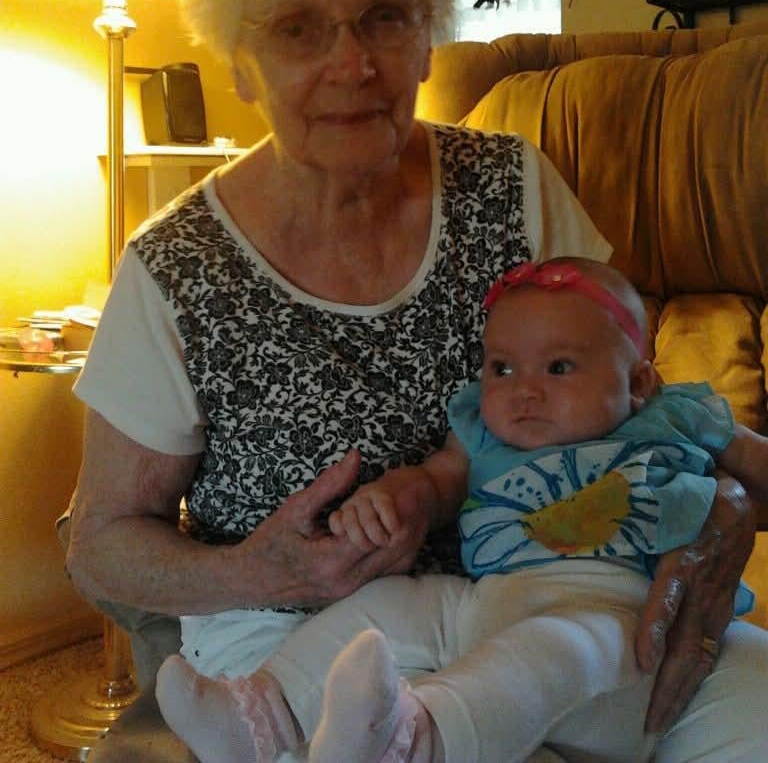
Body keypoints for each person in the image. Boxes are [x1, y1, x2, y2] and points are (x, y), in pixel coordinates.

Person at [62, 0, 765, 763]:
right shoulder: (175, 268)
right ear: (238, 62)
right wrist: (260, 569)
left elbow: (643, 398)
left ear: (428, 35)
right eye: (299, 28)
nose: (351, 63)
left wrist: (716, 513)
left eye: (385, 16)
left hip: (561, 591)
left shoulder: (513, 184)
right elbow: (99, 541)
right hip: (299, 637)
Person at [153, 257, 765, 763]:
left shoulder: (674, 417)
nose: (524, 389)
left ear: (637, 383)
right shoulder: (485, 432)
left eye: (559, 368)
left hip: (617, 628)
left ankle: (415, 741)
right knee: (387, 605)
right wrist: (394, 497)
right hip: (483, 604)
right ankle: (261, 716)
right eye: (502, 368)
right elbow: (438, 482)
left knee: (551, 651)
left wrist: (730, 491)